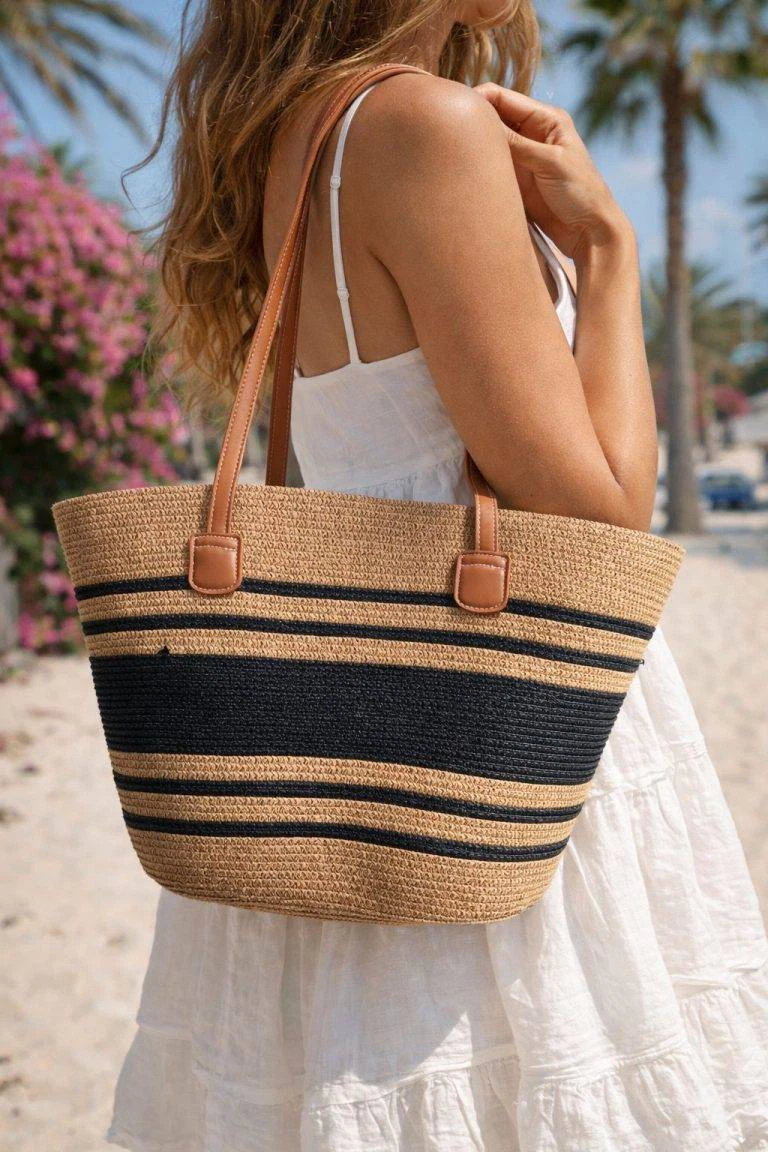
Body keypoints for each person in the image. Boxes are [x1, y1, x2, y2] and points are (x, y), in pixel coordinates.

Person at [107, 2, 768, 1148]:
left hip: (346, 714)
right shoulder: (424, 126)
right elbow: (600, 514)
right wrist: (609, 257)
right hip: (495, 688)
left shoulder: (302, 136)